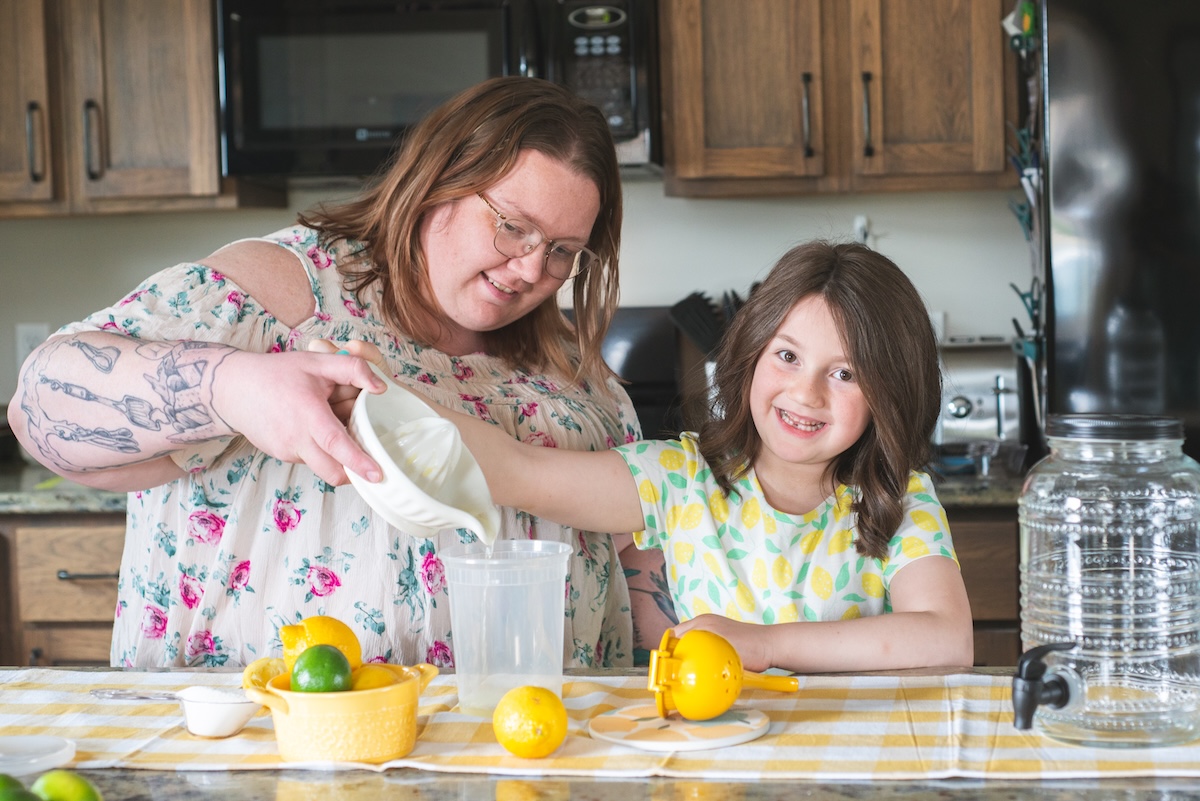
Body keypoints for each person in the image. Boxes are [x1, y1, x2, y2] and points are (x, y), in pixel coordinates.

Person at [7, 76, 675, 669]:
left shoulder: (569, 363)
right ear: (434, 184)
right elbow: (37, 406)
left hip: (526, 752)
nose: (533, 268)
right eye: (513, 227)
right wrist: (232, 387)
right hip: (278, 750)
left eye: (562, 251)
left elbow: (637, 563)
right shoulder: (285, 295)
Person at [396, 240, 974, 673]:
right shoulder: (680, 479)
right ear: (751, 353)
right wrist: (381, 402)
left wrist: (762, 644)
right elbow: (517, 470)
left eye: (845, 373)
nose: (806, 393)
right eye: (788, 356)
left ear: (889, 392)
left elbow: (949, 641)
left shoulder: (898, 500)